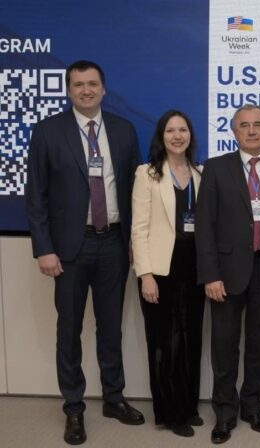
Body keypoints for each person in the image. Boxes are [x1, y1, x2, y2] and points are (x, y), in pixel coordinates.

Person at [25, 60, 144, 445]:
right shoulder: (48, 131)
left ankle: (113, 398)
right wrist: (44, 248)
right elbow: (36, 194)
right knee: (69, 329)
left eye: (92, 84)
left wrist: (135, 242)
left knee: (111, 327)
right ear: (69, 90)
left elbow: (135, 192)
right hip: (68, 248)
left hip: (113, 243)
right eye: (78, 85)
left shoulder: (124, 131)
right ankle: (73, 407)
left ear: (104, 89)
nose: (86, 90)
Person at [195, 105, 260, 444]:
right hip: (225, 272)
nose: (251, 131)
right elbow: (205, 226)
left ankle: (252, 405)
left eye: (258, 125)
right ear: (234, 131)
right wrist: (210, 275)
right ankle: (225, 411)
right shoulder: (216, 168)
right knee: (224, 346)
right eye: (244, 125)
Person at [131, 110, 204, 437]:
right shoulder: (147, 174)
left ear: (190, 135)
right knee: (165, 342)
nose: (177, 136)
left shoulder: (200, 174)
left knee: (191, 338)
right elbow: (138, 229)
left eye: (182, 130)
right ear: (162, 136)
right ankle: (170, 412)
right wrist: (145, 274)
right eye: (171, 130)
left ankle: (188, 405)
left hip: (194, 267)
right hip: (160, 269)